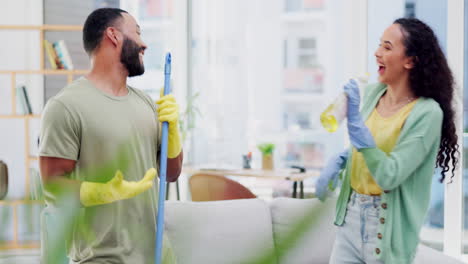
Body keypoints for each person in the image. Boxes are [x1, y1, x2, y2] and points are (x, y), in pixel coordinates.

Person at [39, 8, 182, 263]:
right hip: (102, 258)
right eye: (137, 32)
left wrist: (174, 131)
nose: (144, 44)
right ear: (113, 35)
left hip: (159, 256)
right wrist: (104, 191)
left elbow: (170, 173)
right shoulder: (65, 107)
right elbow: (52, 186)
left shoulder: (147, 104)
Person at [316, 18, 458, 264]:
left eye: (387, 47)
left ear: (410, 61)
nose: (377, 53)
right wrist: (342, 159)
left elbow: (390, 175)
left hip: (384, 226)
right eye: (379, 45)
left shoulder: (427, 113)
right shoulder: (372, 93)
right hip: (350, 216)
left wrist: (359, 133)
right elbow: (367, 151)